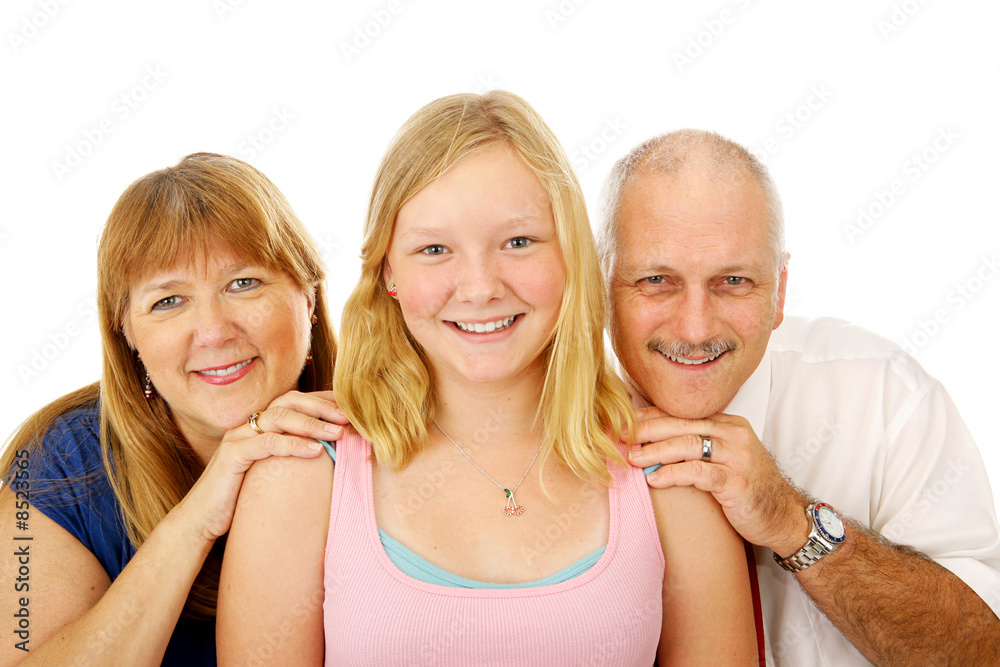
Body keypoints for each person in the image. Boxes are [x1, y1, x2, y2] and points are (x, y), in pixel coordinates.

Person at [218, 92, 758, 665]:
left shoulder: (672, 472)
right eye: (434, 249)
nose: (479, 287)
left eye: (518, 242)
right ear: (389, 273)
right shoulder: (300, 473)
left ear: (572, 255)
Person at [599, 129, 1000, 665]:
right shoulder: (545, 428)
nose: (694, 328)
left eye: (733, 281)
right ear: (600, 287)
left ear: (780, 290)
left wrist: (793, 522)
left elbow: (983, 651)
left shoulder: (885, 399)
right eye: (656, 280)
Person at [0, 153, 348, 665]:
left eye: (243, 283)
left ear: (309, 294)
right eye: (168, 301)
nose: (213, 330)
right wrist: (197, 518)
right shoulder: (58, 463)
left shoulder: (383, 437)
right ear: (129, 335)